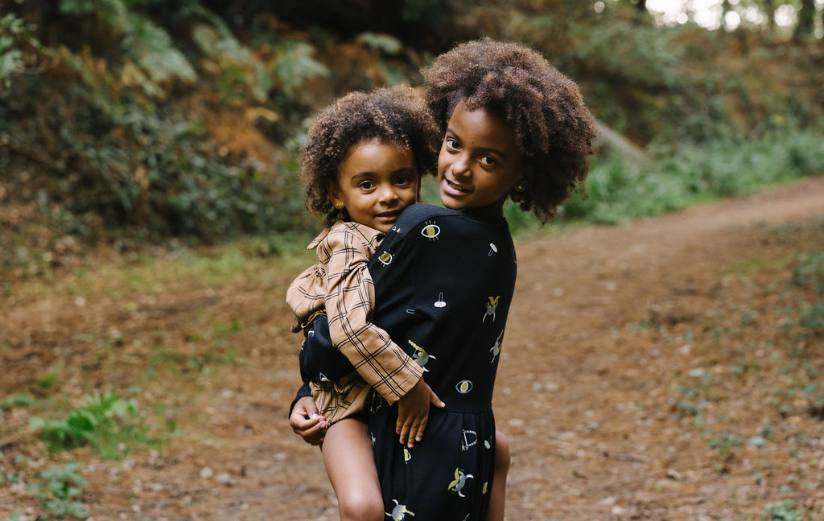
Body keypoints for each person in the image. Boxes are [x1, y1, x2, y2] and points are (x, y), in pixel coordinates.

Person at [291, 39, 597, 520]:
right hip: (471, 439)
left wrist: (307, 393)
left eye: (488, 159)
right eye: (454, 144)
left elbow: (329, 339)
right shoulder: (501, 244)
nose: (458, 167)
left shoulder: (422, 229)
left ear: (523, 173)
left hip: (411, 434)